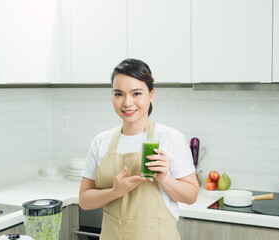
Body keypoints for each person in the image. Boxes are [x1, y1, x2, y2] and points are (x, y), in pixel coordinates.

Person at [79, 58, 199, 239]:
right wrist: (114, 192)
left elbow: (191, 196)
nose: (127, 102)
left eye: (136, 93)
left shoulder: (170, 138)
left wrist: (165, 178)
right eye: (119, 94)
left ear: (151, 94)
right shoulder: (101, 141)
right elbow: (84, 200)